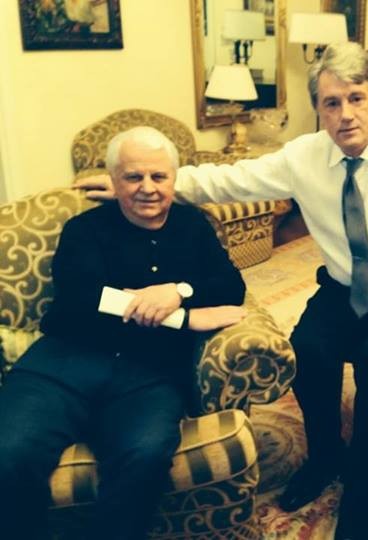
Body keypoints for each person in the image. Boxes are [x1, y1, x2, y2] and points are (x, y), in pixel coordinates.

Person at [75, 42, 368, 539]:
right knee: (307, 350)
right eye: (331, 103)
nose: (346, 114)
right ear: (318, 110)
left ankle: (360, 481)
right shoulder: (303, 156)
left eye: (356, 98)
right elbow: (229, 181)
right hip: (341, 286)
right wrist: (148, 185)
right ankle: (325, 455)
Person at [0, 126, 248, 540]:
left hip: (150, 373)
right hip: (62, 366)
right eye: (133, 177)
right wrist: (184, 318)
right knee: (8, 452)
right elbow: (83, 298)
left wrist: (178, 291)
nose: (147, 188)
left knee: (145, 455)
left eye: (158, 176)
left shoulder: (194, 226)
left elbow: (230, 286)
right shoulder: (83, 228)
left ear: (174, 178)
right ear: (114, 181)